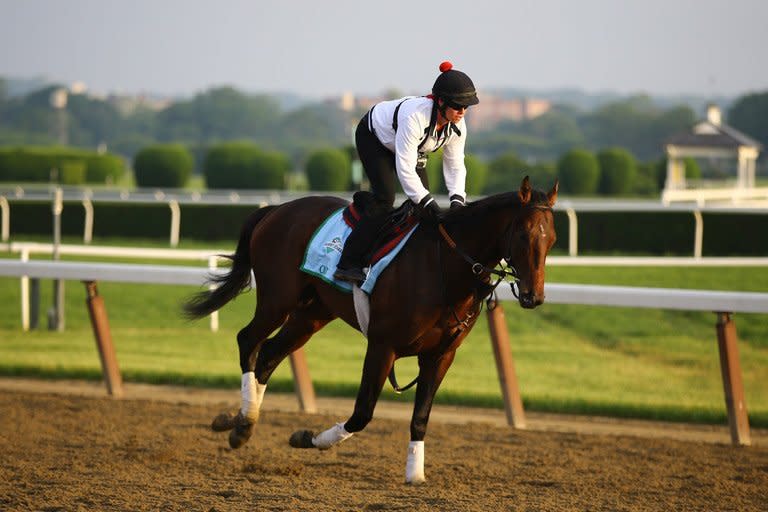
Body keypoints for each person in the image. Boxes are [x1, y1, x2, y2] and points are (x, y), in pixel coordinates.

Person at [333, 61, 479, 284]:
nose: (462, 112)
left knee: (421, 207)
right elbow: (404, 169)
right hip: (374, 138)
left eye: (466, 107)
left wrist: (458, 200)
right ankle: (348, 263)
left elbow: (455, 164)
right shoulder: (415, 118)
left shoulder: (458, 126)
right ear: (440, 102)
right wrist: (427, 201)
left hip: (409, 147)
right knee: (385, 199)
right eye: (458, 106)